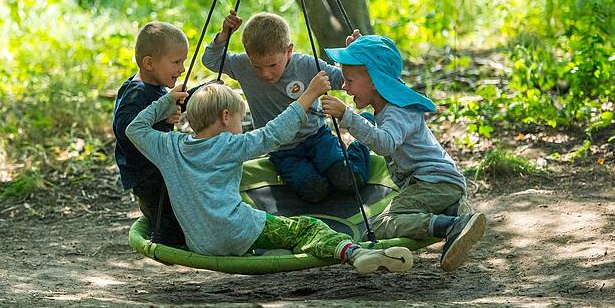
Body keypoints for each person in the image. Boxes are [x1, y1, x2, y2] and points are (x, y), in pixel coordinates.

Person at [125, 75, 414, 274]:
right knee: (305, 229)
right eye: (240, 119)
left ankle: (262, 252)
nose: (242, 126)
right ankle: (354, 253)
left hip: (200, 242)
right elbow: (274, 133)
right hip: (238, 231)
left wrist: (166, 103)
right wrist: (309, 95)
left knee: (264, 226)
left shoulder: (169, 147)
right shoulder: (230, 144)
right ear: (226, 117)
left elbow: (134, 129)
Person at [320, 34, 487, 272]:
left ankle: (452, 225)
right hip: (436, 182)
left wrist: (347, 117)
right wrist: (358, 52)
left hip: (435, 182)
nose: (344, 87)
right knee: (388, 220)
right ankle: (451, 211)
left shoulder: (396, 111)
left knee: (381, 226)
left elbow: (385, 143)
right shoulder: (389, 99)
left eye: (348, 80)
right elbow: (380, 71)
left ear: (375, 81)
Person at [201, 11, 370, 203]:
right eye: (257, 66)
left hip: (317, 137)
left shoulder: (305, 65)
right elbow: (211, 60)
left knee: (349, 181)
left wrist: (353, 57)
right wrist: (224, 35)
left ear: (288, 51)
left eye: (273, 65)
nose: (265, 73)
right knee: (314, 191)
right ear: (248, 56)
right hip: (282, 149)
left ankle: (360, 144)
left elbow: (342, 79)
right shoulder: (242, 65)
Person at [112, 21, 190, 247]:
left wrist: (202, 92)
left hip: (159, 166)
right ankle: (165, 240)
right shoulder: (136, 93)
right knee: (168, 219)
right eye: (176, 62)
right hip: (147, 174)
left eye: (183, 61)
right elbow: (126, 127)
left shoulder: (154, 85)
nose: (182, 68)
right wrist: (161, 116)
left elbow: (172, 104)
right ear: (149, 63)